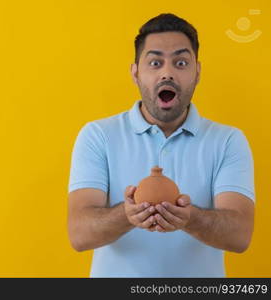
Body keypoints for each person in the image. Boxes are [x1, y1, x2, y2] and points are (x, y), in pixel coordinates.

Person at [67, 13, 255, 277]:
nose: (167, 73)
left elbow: (240, 235)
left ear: (197, 72)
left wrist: (190, 217)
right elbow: (79, 233)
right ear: (135, 73)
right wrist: (127, 214)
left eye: (181, 62)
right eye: (155, 62)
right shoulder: (98, 135)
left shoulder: (227, 140)